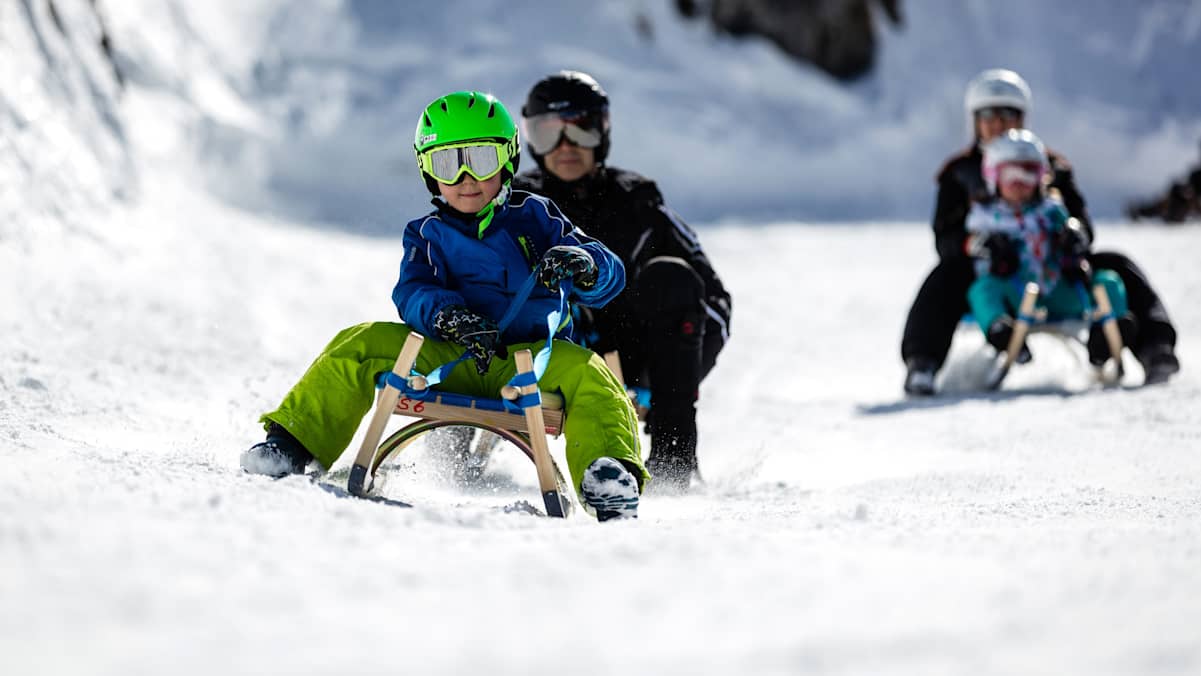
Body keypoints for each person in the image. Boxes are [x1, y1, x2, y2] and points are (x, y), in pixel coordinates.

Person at [240, 91, 647, 521]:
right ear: (428, 172)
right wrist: (448, 316)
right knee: (359, 342)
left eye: (481, 160)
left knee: (591, 372)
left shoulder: (536, 217)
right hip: (449, 353)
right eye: (448, 165)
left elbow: (608, 272)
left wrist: (584, 265)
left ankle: (608, 476)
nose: (467, 177)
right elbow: (413, 290)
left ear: (507, 161)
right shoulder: (427, 234)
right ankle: (293, 444)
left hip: (530, 363)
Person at [511, 70, 732, 490]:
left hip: (634, 359)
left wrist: (672, 377)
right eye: (548, 134)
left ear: (603, 132)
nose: (566, 148)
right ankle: (449, 456)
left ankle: (672, 463)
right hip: (540, 354)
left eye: (581, 131)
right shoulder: (516, 204)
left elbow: (712, 304)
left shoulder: (637, 203)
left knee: (672, 278)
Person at [901, 68, 1180, 395]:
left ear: (1022, 118)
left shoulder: (1052, 167)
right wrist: (979, 245)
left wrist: (1074, 235)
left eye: (1008, 115)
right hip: (994, 274)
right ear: (975, 120)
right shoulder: (958, 173)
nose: (998, 124)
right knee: (946, 276)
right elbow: (945, 237)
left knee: (1115, 266)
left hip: (1057, 270)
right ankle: (922, 363)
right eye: (988, 116)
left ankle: (1155, 349)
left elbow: (1081, 221)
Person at [966, 129, 1134, 363]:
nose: (1019, 183)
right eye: (1010, 174)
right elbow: (971, 246)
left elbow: (1077, 235)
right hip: (1014, 295)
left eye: (1028, 174)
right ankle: (1002, 332)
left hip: (1059, 289)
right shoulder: (984, 218)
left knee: (1108, 281)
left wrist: (1073, 246)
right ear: (993, 176)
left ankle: (1105, 337)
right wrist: (991, 250)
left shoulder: (1052, 211)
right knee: (982, 290)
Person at [1126, 140, 1201, 223]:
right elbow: (1189, 191)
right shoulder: (1196, 175)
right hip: (1187, 207)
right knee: (1176, 189)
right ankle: (1142, 211)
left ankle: (1146, 212)